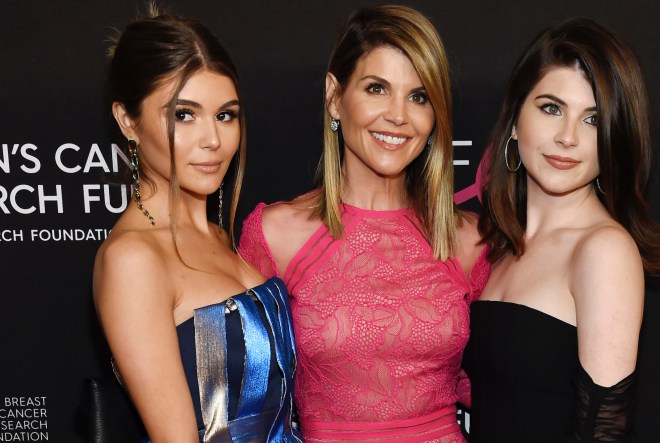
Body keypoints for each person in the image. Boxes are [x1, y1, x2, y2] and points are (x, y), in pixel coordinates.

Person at [239, 5, 489, 442]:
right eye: (377, 88)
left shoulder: (468, 239)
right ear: (335, 96)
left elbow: (507, 382)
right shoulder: (276, 235)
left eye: (419, 96)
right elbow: (240, 395)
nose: (398, 115)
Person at [92, 9, 303, 442]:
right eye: (183, 115)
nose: (213, 139)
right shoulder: (132, 259)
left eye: (226, 115)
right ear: (127, 121)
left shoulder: (220, 237)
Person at [462, 18, 660, 442]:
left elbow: (603, 432)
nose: (567, 137)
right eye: (551, 108)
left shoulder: (603, 249)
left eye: (593, 120)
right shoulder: (504, 244)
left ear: (616, 137)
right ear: (515, 118)